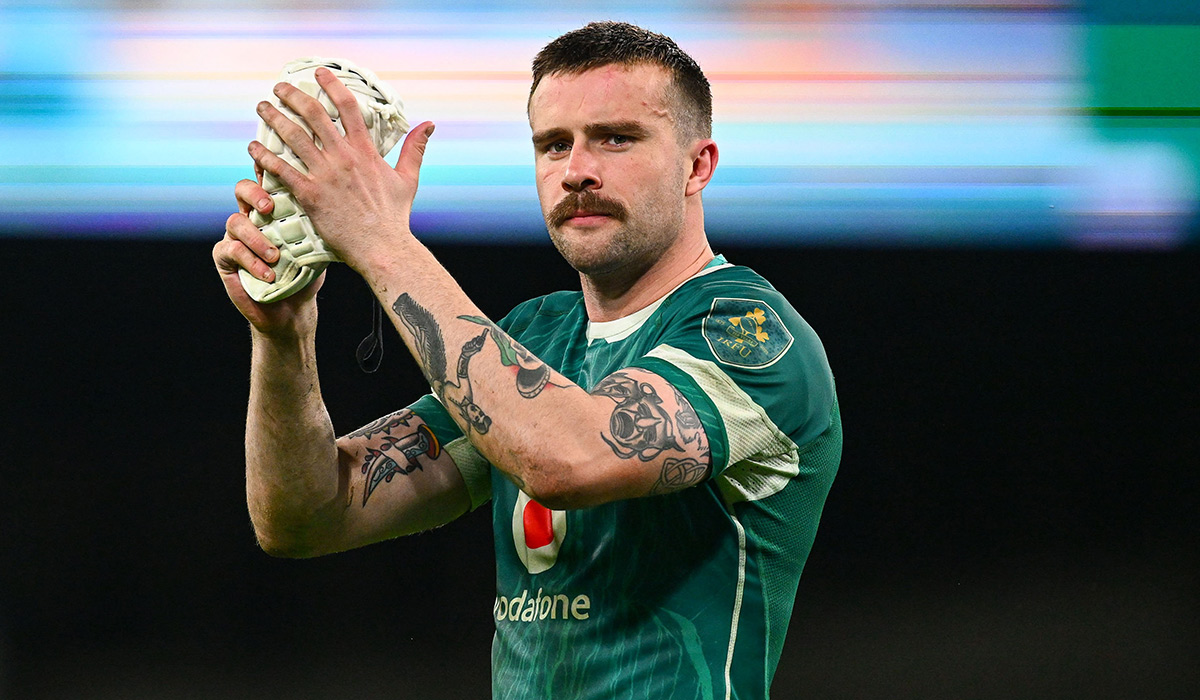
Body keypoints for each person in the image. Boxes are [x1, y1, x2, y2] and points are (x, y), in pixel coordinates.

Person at [213, 21, 841, 700]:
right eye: (553, 145)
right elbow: (306, 517)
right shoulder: (536, 337)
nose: (577, 170)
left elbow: (564, 457)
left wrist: (379, 240)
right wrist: (284, 336)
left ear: (698, 165)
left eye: (617, 138)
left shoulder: (748, 332)